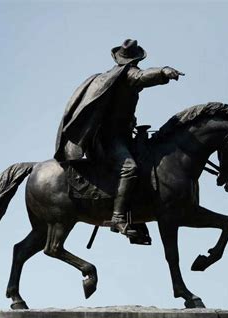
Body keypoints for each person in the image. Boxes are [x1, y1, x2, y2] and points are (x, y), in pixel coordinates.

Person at [54, 39, 184, 244]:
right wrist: (163, 71)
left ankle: (136, 218)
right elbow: (141, 77)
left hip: (121, 135)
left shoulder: (110, 78)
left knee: (148, 164)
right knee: (129, 168)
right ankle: (118, 218)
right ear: (134, 60)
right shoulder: (126, 75)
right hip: (108, 139)